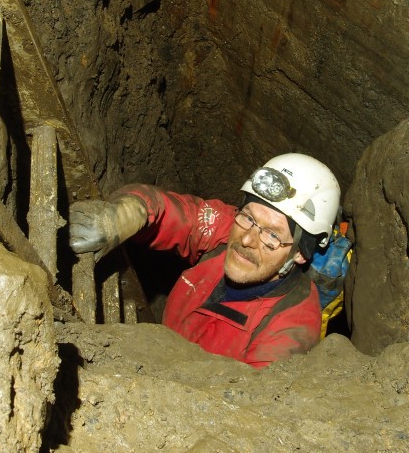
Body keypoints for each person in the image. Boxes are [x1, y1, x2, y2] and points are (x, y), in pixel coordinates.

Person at [68, 153, 341, 368]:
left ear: (300, 252)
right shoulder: (229, 230)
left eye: (272, 235)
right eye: (248, 217)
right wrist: (123, 215)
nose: (247, 240)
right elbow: (170, 210)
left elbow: (254, 410)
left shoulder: (291, 327)